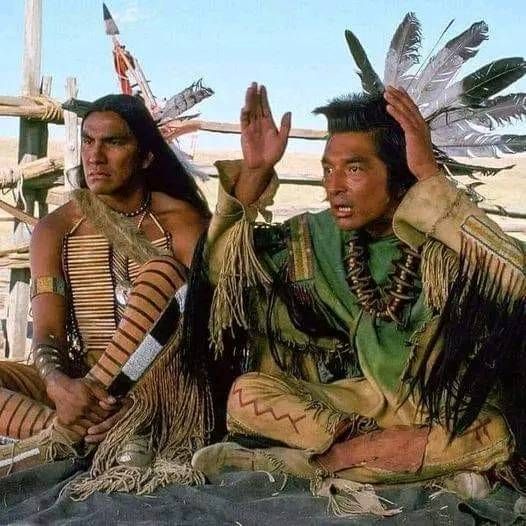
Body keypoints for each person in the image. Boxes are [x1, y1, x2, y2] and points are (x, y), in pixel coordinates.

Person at [192, 82, 525, 510]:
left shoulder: (444, 232)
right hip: (359, 406)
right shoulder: (318, 237)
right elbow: (224, 276)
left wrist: (429, 178)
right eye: (328, 169)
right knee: (247, 394)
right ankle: (395, 459)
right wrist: (255, 173)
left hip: (444, 411)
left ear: (399, 169)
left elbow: (515, 277)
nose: (334, 186)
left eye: (354, 169)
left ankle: (297, 465)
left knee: (494, 435)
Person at [0, 94, 214, 493]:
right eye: (88, 141)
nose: (95, 156)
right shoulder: (55, 229)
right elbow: (48, 331)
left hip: (158, 389)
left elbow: (209, 323)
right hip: (79, 387)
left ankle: (64, 438)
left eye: (113, 142)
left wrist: (121, 396)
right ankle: (66, 434)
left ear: (147, 157)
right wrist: (58, 385)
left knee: (164, 272)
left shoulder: (181, 222)